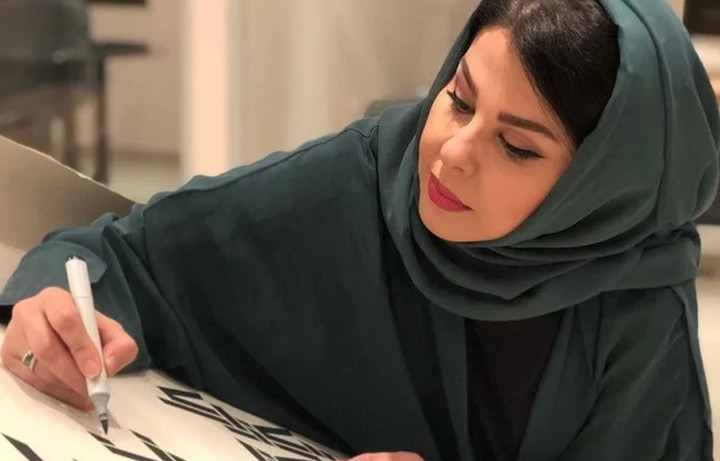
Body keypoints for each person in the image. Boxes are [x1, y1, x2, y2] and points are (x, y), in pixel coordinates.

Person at [0, 0, 718, 459]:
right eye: (459, 99)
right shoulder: (361, 182)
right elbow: (117, 254)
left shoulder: (635, 302)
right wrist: (51, 310)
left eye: (517, 146)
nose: (453, 154)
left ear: (601, 191)